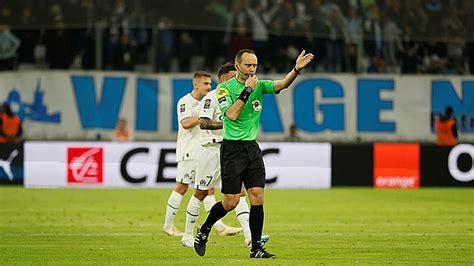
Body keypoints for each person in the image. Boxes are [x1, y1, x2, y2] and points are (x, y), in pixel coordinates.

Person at [194, 49, 314, 259]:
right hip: (232, 149)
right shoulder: (224, 89)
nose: (252, 69)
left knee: (257, 197)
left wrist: (296, 70)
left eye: (255, 65)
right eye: (248, 65)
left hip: (251, 148)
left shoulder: (259, 84)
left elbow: (282, 84)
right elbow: (231, 115)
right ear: (237, 65)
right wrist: (246, 91)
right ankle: (204, 229)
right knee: (230, 202)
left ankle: (255, 248)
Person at [181, 63, 268, 248]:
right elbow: (203, 123)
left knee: (241, 194)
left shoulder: (240, 97)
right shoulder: (212, 97)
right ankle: (188, 235)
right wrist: (226, 123)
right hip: (211, 150)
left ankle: (250, 237)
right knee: (201, 192)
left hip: (234, 150)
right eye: (233, 77)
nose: (238, 80)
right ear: (223, 79)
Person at [163, 71, 239, 237]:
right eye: (205, 84)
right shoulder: (185, 101)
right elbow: (185, 123)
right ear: (196, 84)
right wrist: (204, 117)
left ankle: (219, 227)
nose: (209, 87)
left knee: (208, 189)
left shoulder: (210, 101)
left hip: (203, 151)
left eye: (210, 84)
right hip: (189, 151)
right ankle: (168, 226)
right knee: (182, 187)